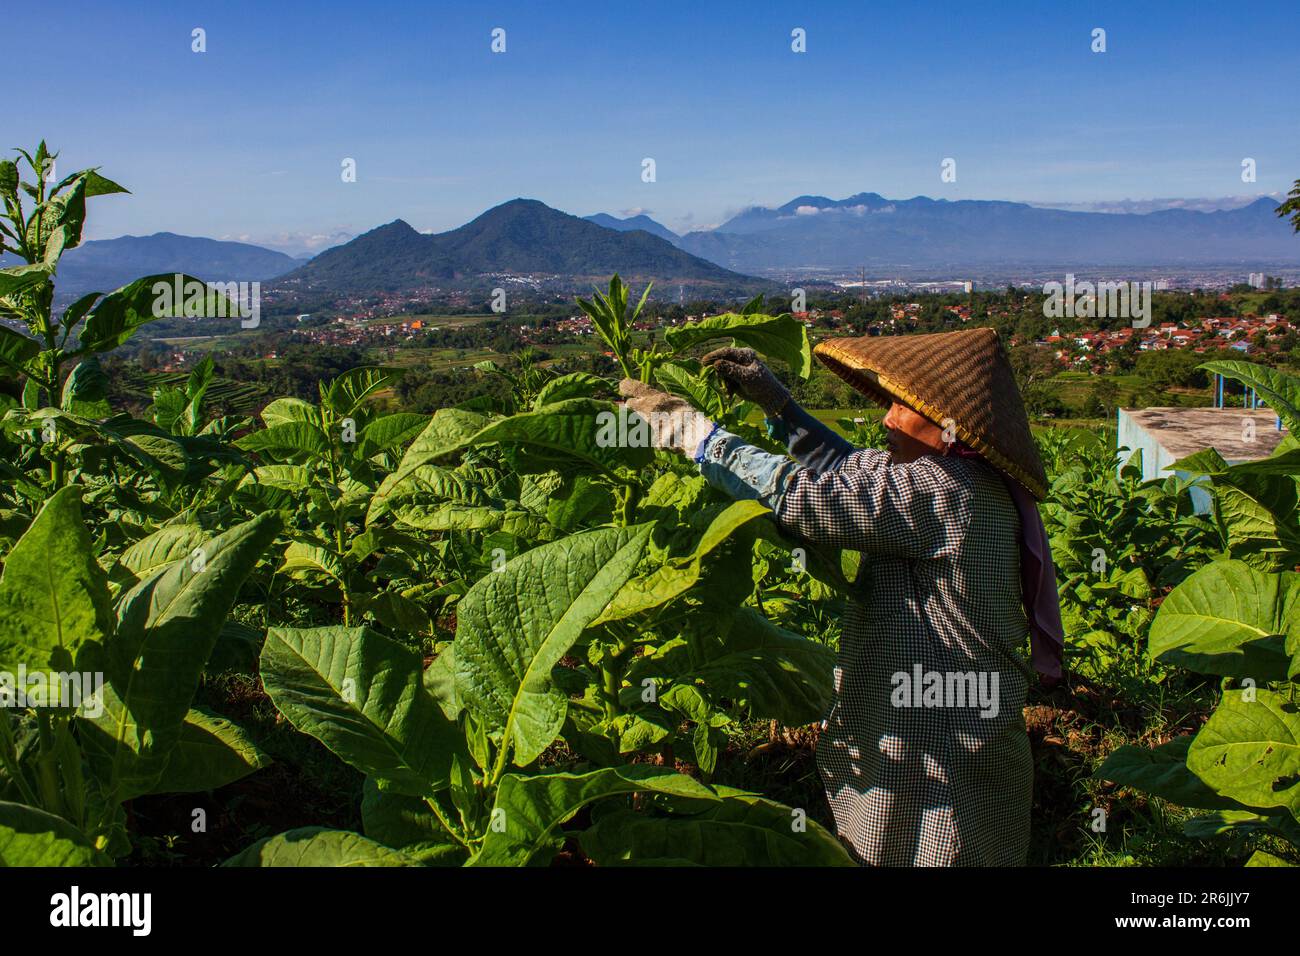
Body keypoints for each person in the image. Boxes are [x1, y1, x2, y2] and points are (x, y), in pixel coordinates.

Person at [619, 327, 1064, 866]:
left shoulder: (947, 491)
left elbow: (810, 498)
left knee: (937, 841)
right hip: (935, 710)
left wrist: (697, 437)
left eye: (905, 408)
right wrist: (777, 404)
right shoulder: (947, 474)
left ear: (951, 427)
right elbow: (844, 466)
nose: (888, 419)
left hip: (943, 729)